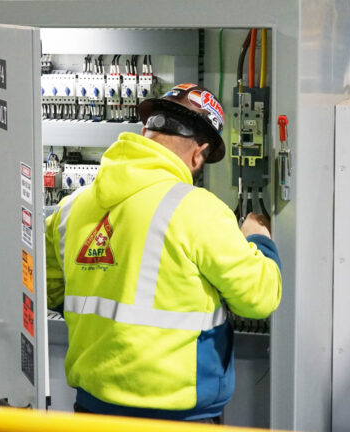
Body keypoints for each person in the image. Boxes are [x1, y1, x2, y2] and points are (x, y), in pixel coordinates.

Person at [44, 83, 282, 423]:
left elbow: (54, 293)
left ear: (145, 132)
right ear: (199, 153)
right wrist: (259, 238)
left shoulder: (70, 209)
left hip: (93, 410)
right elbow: (257, 299)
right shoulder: (198, 209)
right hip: (178, 416)